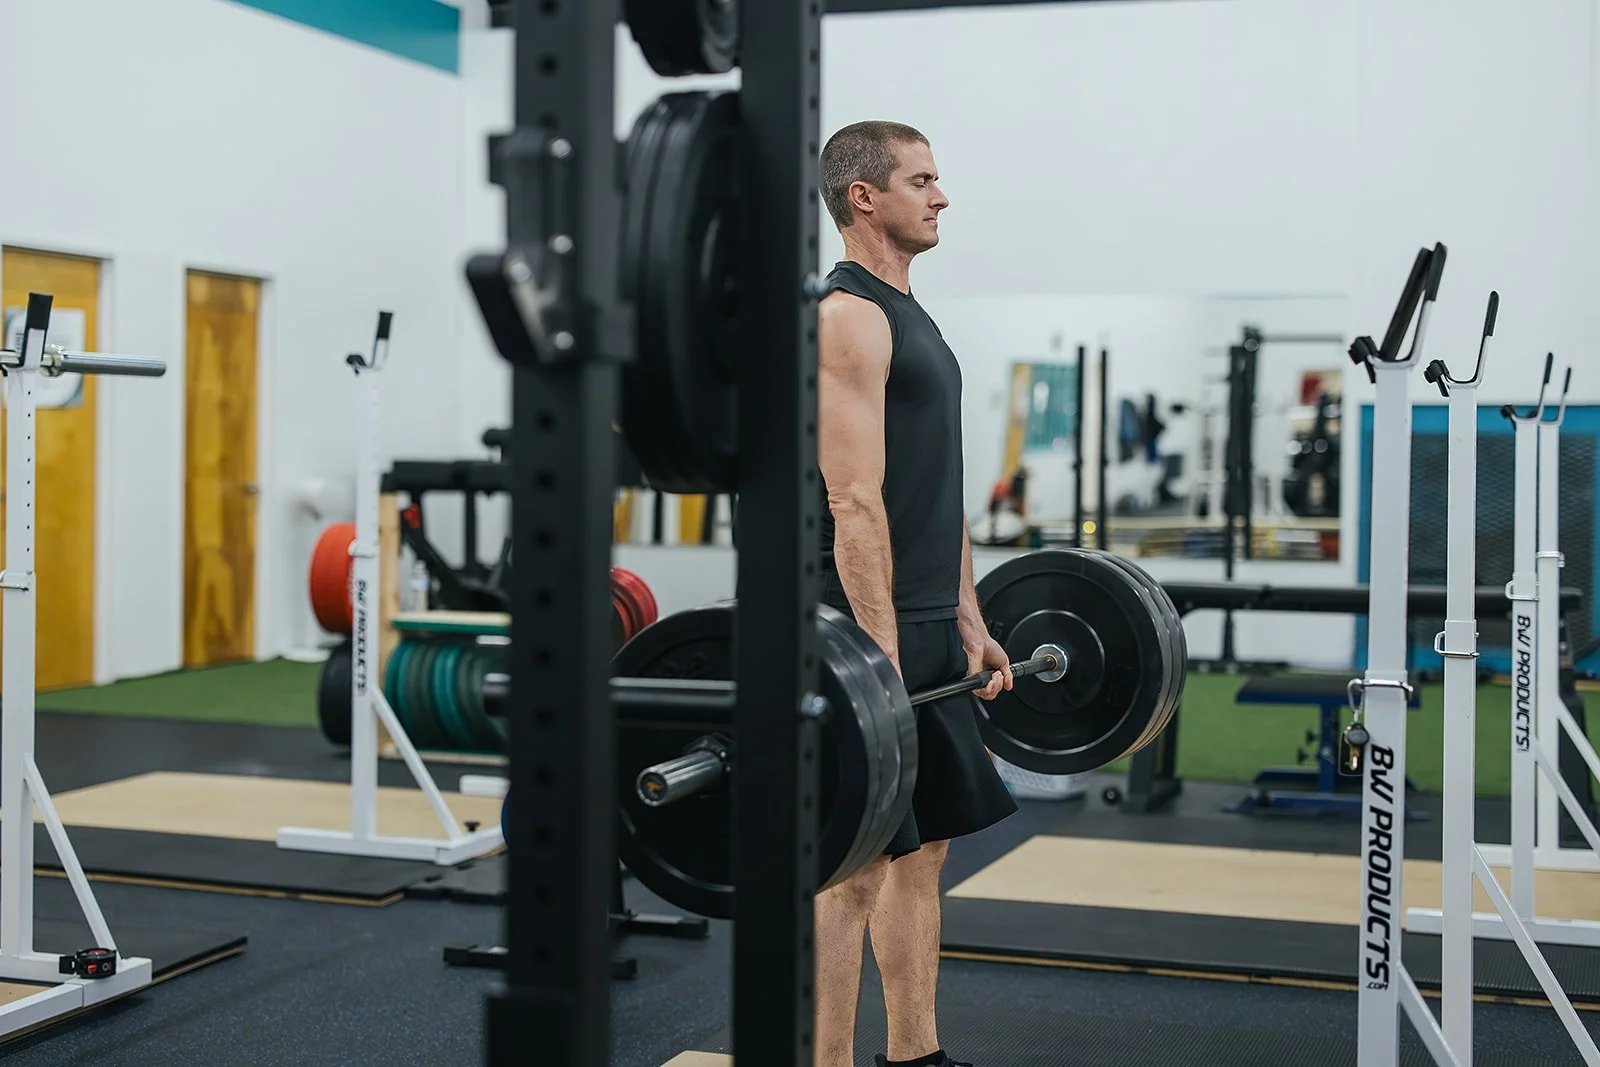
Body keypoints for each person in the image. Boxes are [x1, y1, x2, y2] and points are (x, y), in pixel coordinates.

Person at [813, 120, 1020, 1067]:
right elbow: (852, 498)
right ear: (864, 196)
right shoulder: (848, 315)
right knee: (851, 867)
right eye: (922, 179)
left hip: (929, 618)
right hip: (862, 630)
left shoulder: (910, 312)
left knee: (924, 844)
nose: (941, 196)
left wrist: (969, 616)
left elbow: (937, 484)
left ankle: (915, 1054)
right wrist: (880, 654)